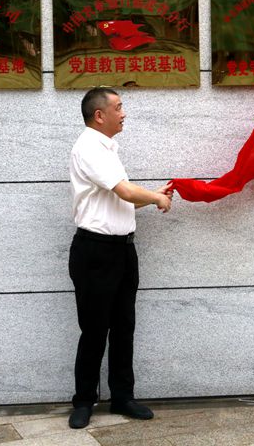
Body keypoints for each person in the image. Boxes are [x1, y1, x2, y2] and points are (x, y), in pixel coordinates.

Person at [67, 87, 173, 430]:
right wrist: (155, 198)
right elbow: (125, 191)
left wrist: (155, 196)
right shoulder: (89, 147)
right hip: (95, 251)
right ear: (100, 115)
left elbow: (123, 200)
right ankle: (84, 401)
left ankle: (121, 397)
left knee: (124, 326)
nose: (124, 113)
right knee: (95, 330)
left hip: (122, 249)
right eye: (119, 107)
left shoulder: (108, 149)